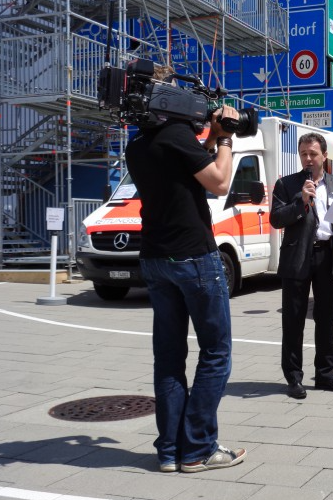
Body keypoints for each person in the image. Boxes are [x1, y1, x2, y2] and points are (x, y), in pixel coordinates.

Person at [125, 98, 247, 472]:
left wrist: (208, 139)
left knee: (169, 357)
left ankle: (169, 451)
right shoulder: (177, 134)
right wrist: (224, 139)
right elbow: (220, 180)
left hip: (155, 258)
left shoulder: (138, 143)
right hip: (193, 256)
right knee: (215, 353)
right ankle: (197, 448)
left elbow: (183, 167)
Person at [269, 132, 333, 400]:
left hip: (328, 256)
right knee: (294, 321)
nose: (308, 159)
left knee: (326, 319)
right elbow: (276, 219)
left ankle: (325, 375)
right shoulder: (286, 184)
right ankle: (294, 378)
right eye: (304, 154)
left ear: (324, 156)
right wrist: (301, 201)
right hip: (298, 258)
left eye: (313, 154)